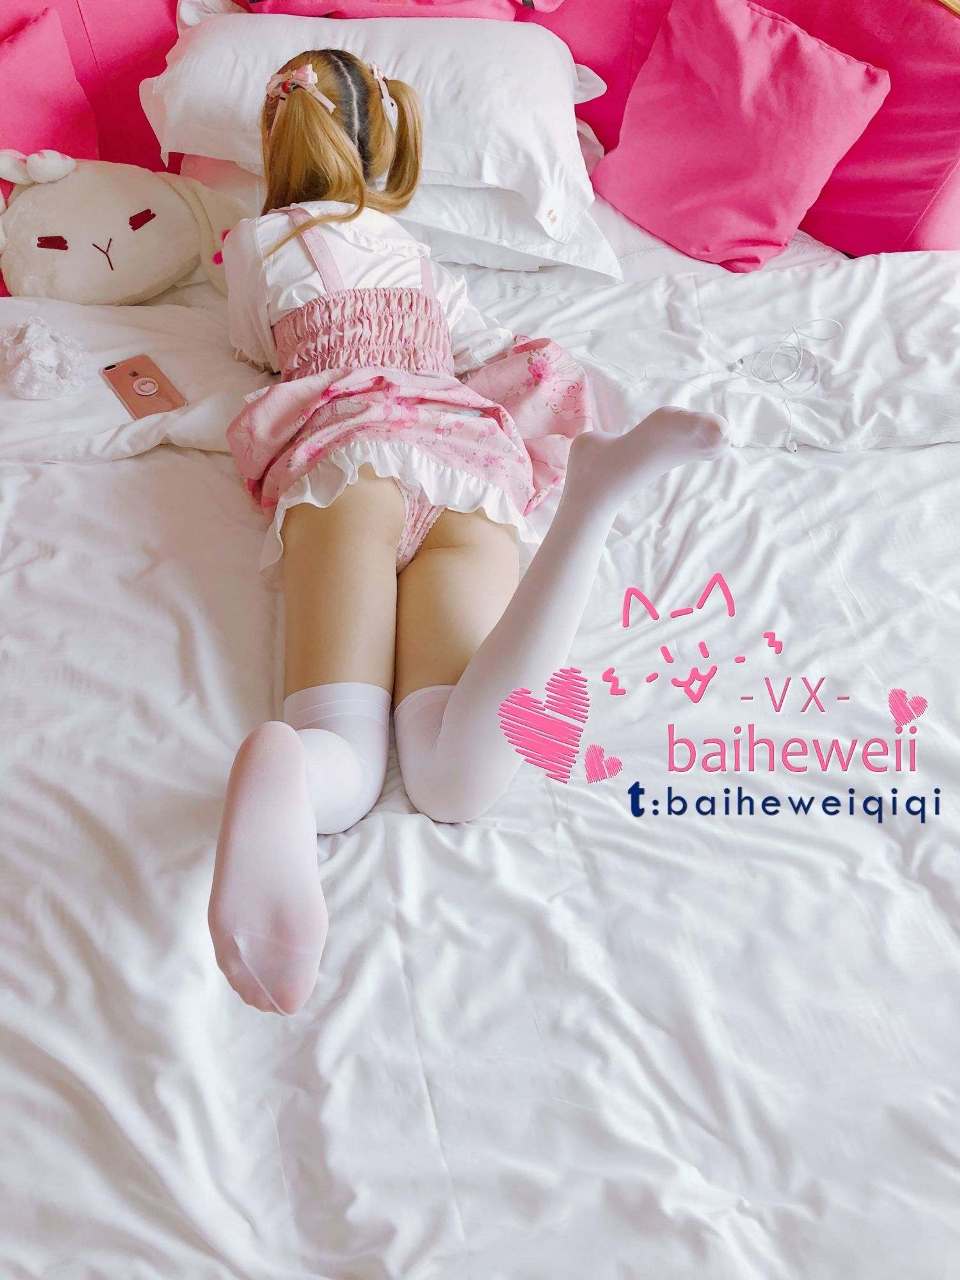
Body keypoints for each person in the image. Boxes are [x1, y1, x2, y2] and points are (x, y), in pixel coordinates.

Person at [208, 48, 729, 1016]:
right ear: (383, 145)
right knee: (455, 779)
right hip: (465, 456)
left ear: (278, 145)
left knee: (341, 756)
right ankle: (589, 507)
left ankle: (287, 766)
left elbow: (251, 344)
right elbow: (481, 347)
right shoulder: (415, 252)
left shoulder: (254, 242)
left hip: (351, 456)